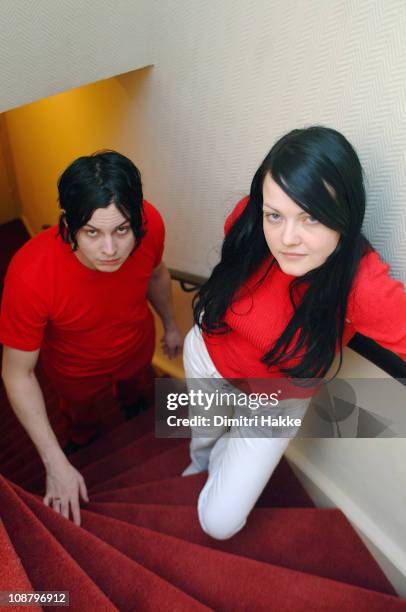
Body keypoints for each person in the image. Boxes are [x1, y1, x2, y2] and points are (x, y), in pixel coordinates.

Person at [182, 126, 406, 540]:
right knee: (203, 438)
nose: (287, 239)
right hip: (209, 358)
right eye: (275, 215)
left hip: (275, 402)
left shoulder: (363, 285)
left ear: (346, 214)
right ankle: (202, 459)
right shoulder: (248, 221)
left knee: (219, 523)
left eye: (312, 217)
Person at [0, 150, 182, 526]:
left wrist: (172, 325)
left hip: (137, 348)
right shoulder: (29, 274)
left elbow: (157, 273)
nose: (110, 250)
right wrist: (54, 462)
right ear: (68, 224)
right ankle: (83, 438)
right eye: (92, 233)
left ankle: (132, 405)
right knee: (81, 419)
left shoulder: (152, 224)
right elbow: (16, 373)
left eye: (122, 230)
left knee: (136, 392)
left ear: (137, 219)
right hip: (75, 374)